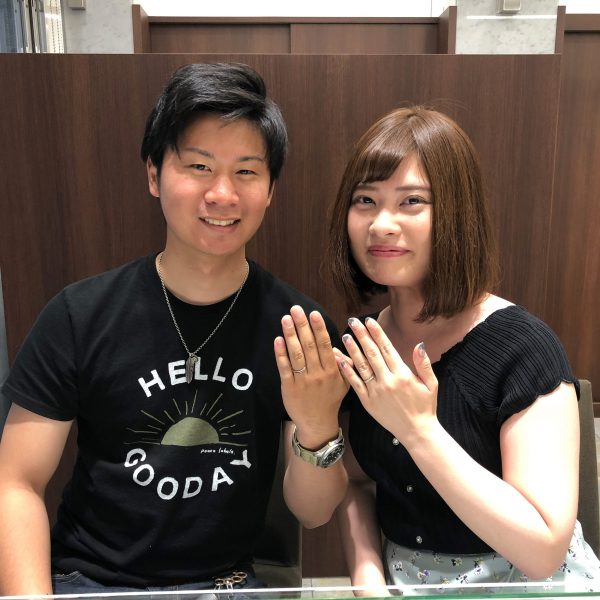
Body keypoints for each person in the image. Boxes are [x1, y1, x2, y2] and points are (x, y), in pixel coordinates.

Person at [0, 62, 347, 595]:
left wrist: (317, 424)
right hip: (90, 580)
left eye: (247, 171)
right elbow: (16, 482)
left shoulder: (299, 328)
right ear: (153, 174)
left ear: (271, 189)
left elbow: (315, 512)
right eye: (199, 166)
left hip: (226, 584)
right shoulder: (78, 316)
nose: (222, 194)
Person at [327, 106, 600, 594]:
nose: (381, 224)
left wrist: (418, 430)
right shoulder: (363, 345)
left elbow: (542, 550)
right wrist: (368, 582)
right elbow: (359, 482)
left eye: (412, 201)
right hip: (406, 583)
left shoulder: (523, 347)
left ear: (457, 213)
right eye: (365, 200)